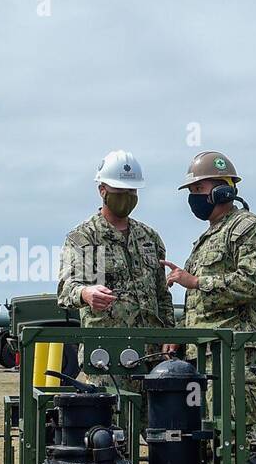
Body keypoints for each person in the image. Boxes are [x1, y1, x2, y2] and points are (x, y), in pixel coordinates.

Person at [163, 151, 256, 436]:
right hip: (206, 358)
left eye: (199, 189)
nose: (194, 197)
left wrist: (197, 281)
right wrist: (179, 338)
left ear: (223, 190)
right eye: (191, 191)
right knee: (211, 443)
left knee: (236, 443)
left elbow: (252, 282)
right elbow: (200, 307)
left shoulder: (249, 228)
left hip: (237, 359)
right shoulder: (208, 237)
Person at [56, 150, 175, 399]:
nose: (127, 198)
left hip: (152, 356)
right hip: (106, 357)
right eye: (120, 191)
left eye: (132, 192)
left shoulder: (149, 238)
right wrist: (86, 293)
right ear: (102, 190)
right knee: (111, 432)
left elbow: (162, 296)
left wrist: (170, 335)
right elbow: (66, 289)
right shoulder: (85, 238)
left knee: (160, 431)